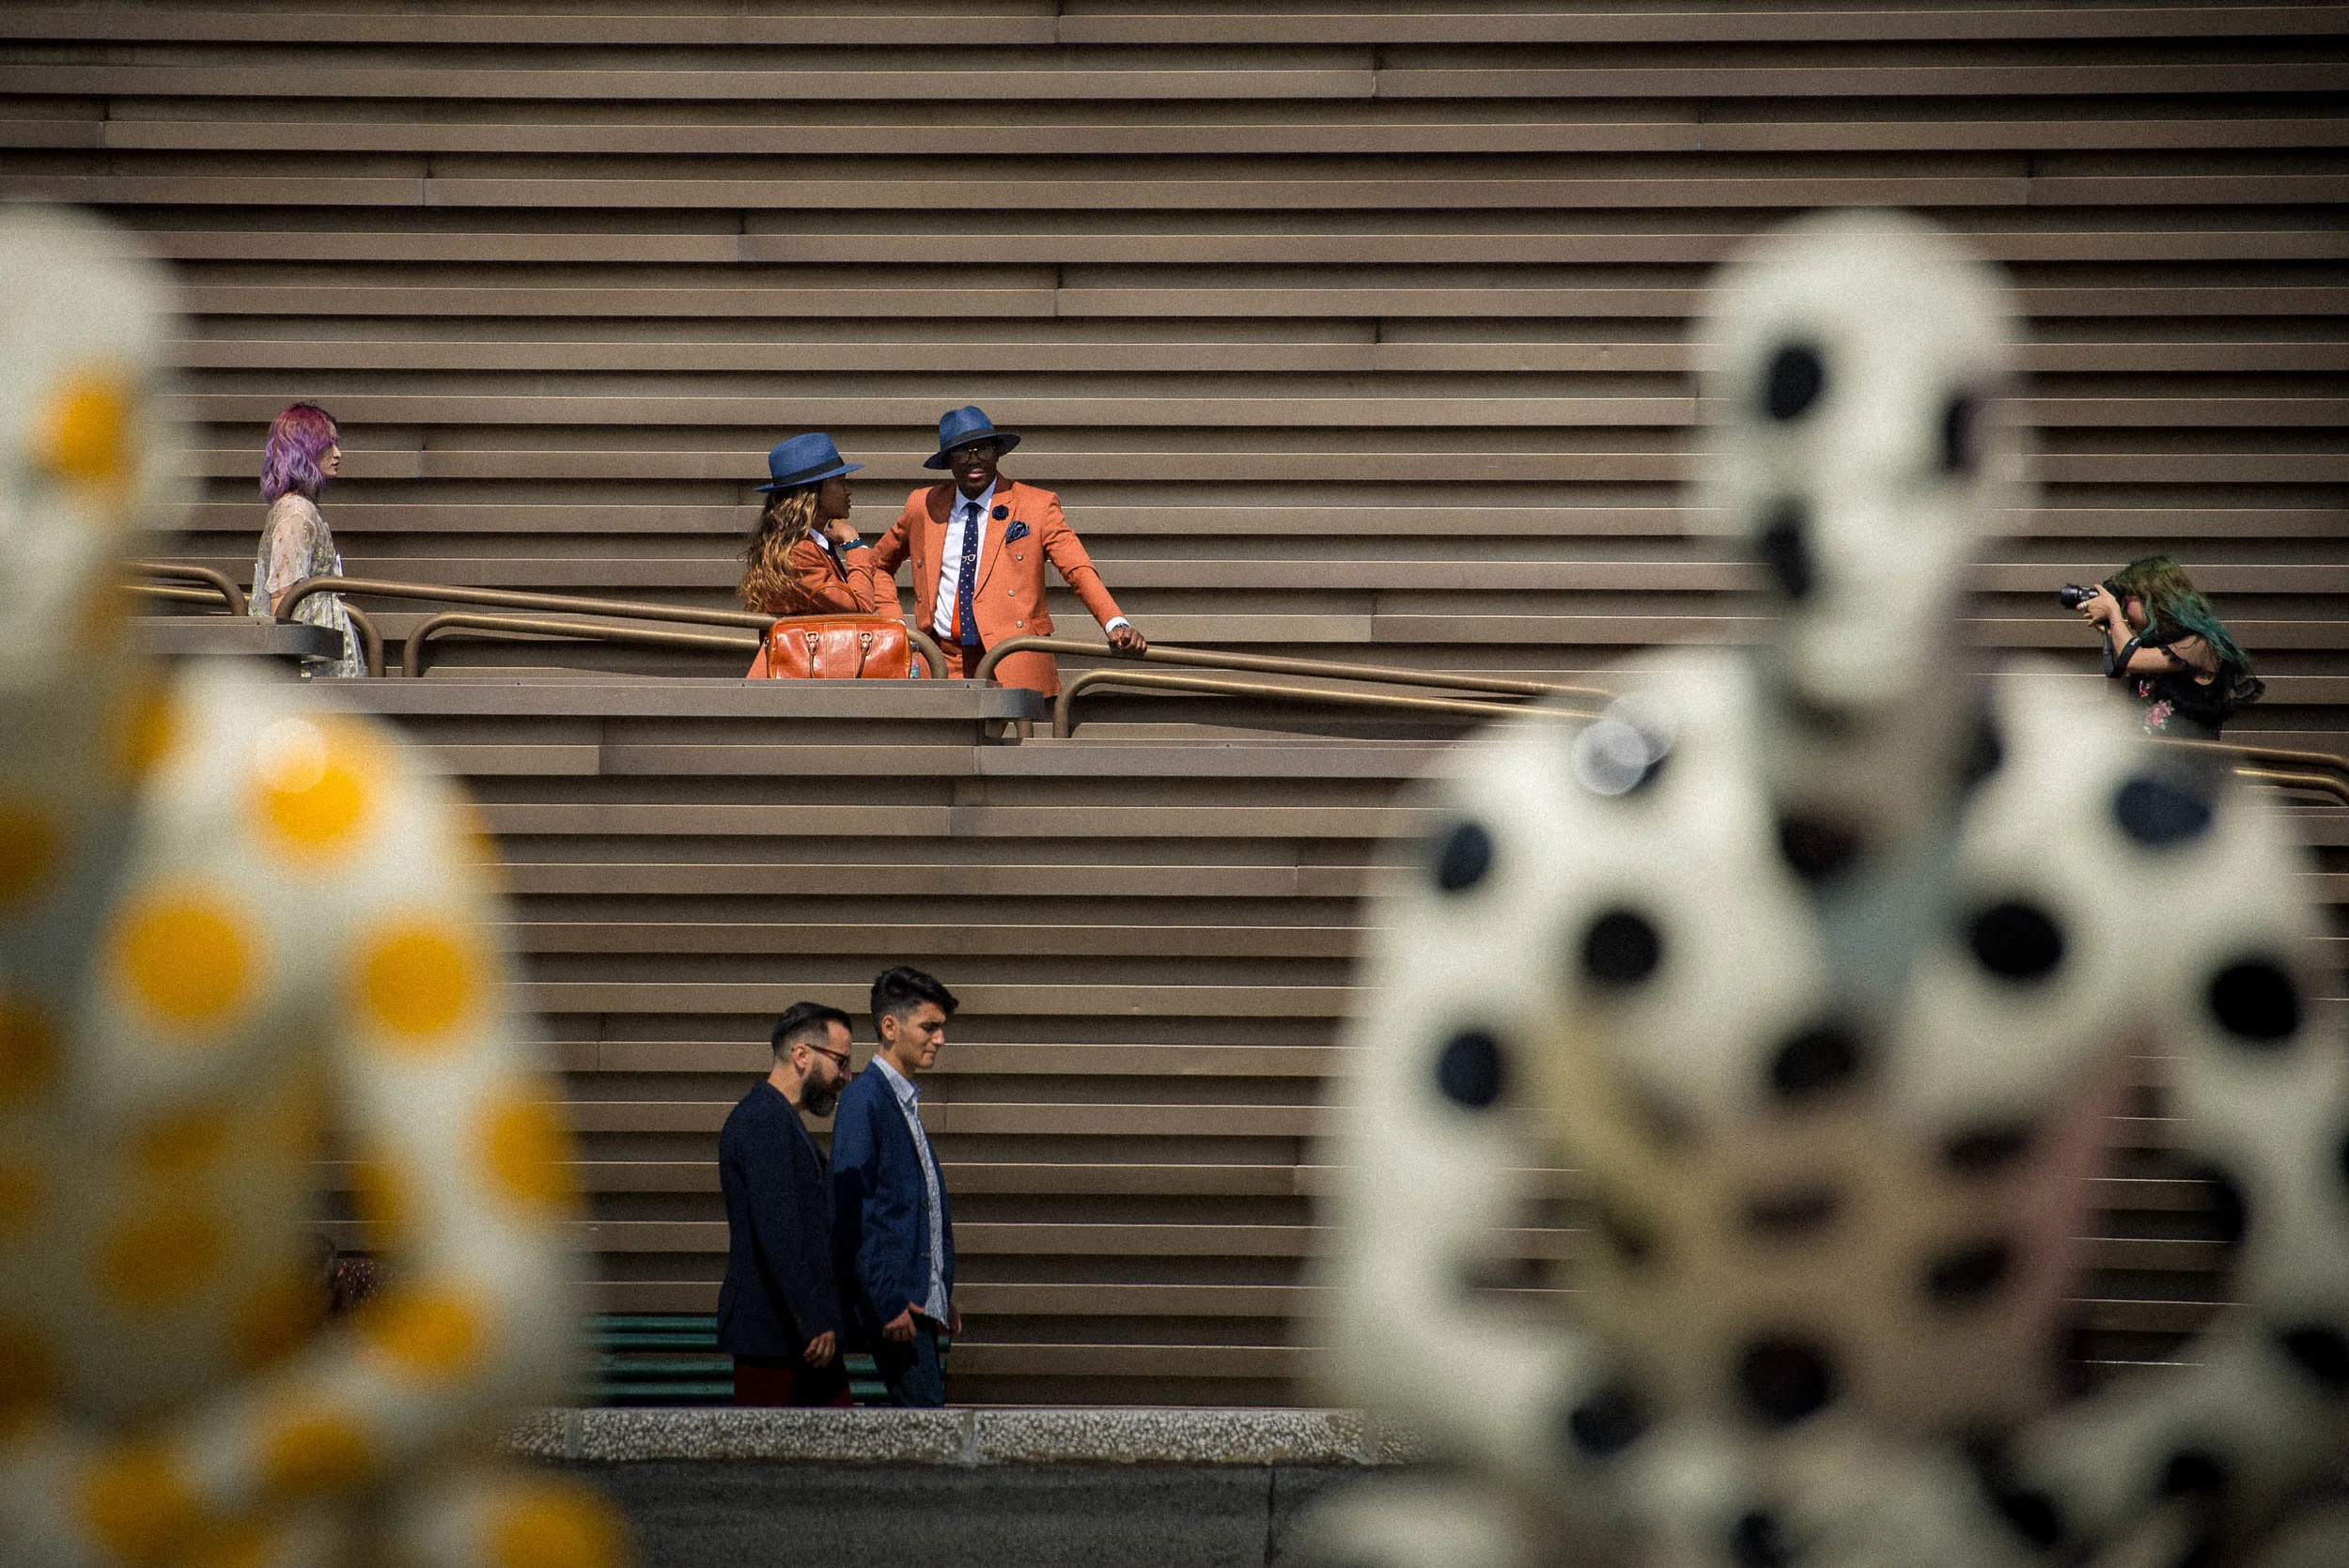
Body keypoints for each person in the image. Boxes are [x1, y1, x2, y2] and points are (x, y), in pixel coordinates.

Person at [871, 405, 1144, 697]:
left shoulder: (1037, 505)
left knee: (1019, 728)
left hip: (1013, 658)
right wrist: (895, 626)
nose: (974, 459)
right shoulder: (923, 505)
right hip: (940, 661)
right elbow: (877, 564)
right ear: (948, 459)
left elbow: (1077, 568)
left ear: (997, 452)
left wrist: (1115, 622)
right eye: (962, 451)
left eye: (983, 449)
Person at [831, 966, 962, 1407]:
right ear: (890, 1027)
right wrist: (887, 1302)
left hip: (917, 1307)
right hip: (896, 1311)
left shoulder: (900, 1102)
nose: (940, 1039)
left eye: (941, 1027)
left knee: (926, 1427)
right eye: (929, 1027)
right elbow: (852, 1213)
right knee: (930, 1428)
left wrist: (937, 1291)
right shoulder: (865, 1100)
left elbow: (908, 1208)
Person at [717, 1001, 859, 1407]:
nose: (846, 1076)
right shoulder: (764, 1121)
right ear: (801, 1054)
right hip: (778, 1339)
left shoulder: (777, 1120)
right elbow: (780, 1229)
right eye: (841, 1061)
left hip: (796, 1337)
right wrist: (813, 1319)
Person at [2074, 554, 2262, 737]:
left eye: (2127, 601)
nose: (2124, 611)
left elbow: (2131, 660)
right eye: (2120, 606)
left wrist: (2112, 612)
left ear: (2153, 598)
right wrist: (2110, 634)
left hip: (2187, 756)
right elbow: (2116, 709)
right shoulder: (2146, 649)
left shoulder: (2199, 644)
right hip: (2147, 756)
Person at [739, 432, 900, 638]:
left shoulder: (812, 544)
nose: (848, 490)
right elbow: (859, 609)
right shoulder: (798, 553)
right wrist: (854, 544)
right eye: (839, 482)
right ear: (812, 493)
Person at [249, 401, 363, 677]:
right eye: (327, 445)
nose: (337, 453)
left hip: (316, 649)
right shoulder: (296, 511)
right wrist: (281, 670)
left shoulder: (303, 507)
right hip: (308, 661)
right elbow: (282, 596)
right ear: (303, 450)